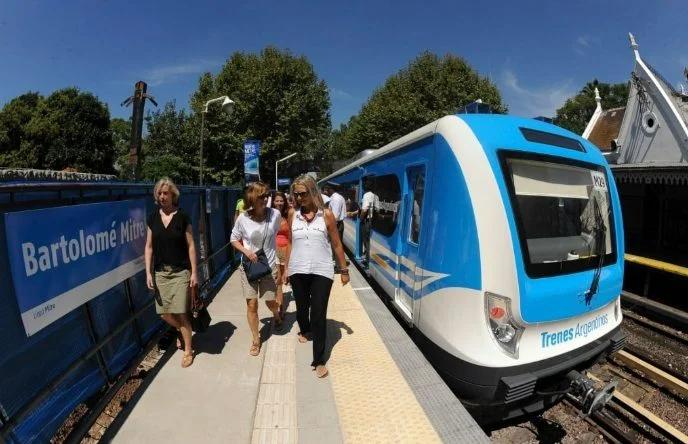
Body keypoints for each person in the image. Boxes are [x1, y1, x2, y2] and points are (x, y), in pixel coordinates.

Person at [284, 175, 349, 378]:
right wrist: (286, 268)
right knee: (302, 306)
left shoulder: (326, 215)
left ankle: (319, 359)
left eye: (303, 193)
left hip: (322, 270)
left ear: (313, 192)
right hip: (297, 268)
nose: (299, 197)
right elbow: (290, 243)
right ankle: (304, 329)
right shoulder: (292, 214)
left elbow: (337, 244)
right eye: (296, 194)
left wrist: (344, 269)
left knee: (318, 313)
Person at [145, 178, 198, 368]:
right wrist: (148, 273)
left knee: (180, 312)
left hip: (180, 272)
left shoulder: (182, 217)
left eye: (165, 193)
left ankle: (188, 349)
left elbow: (191, 245)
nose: (162, 196)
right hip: (161, 273)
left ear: (173, 195)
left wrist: (194, 272)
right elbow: (149, 247)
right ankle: (184, 330)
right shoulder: (152, 218)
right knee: (163, 313)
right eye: (159, 193)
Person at [230, 181, 283, 356]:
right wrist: (246, 251)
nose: (265, 199)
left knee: (270, 302)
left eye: (266, 196)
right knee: (251, 305)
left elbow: (279, 233)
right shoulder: (243, 218)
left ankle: (276, 314)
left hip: (269, 266)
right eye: (261, 196)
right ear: (252, 198)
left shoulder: (274, 214)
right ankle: (255, 339)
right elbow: (233, 239)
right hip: (249, 267)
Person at [272, 191, 290, 315]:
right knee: (278, 281)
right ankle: (280, 308)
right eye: (277, 200)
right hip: (273, 251)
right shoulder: (269, 215)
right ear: (273, 202)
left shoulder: (289, 214)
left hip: (287, 250)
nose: (279, 203)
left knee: (287, 279)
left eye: (281, 200)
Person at [323, 183, 346, 272]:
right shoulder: (336, 197)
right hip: (337, 224)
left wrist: (329, 228)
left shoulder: (336, 199)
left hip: (336, 225)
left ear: (330, 189)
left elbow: (335, 216)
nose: (325, 191)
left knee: (336, 245)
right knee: (335, 245)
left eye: (326, 189)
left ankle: (338, 266)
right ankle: (337, 264)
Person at [360, 177, 379, 267]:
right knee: (370, 241)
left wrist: (360, 219)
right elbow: (377, 210)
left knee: (366, 241)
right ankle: (368, 259)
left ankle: (367, 262)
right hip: (373, 222)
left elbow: (364, 209)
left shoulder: (366, 195)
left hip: (366, 221)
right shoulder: (376, 196)